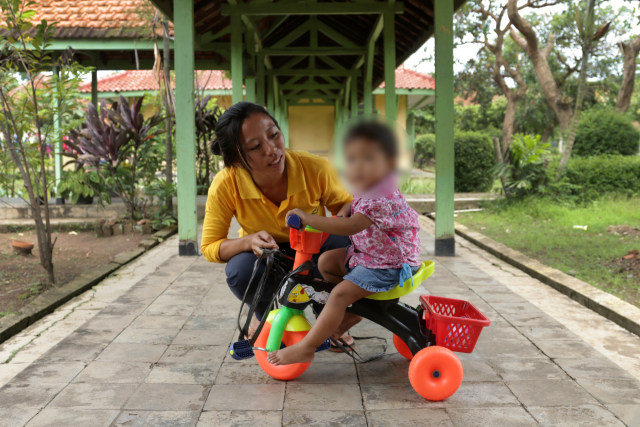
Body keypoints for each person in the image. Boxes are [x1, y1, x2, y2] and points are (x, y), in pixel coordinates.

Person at [268, 120, 421, 366]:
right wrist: (349, 204)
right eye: (352, 159)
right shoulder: (371, 186)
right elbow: (357, 205)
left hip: (389, 265)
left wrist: (309, 219)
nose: (358, 166)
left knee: (338, 294)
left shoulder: (380, 195)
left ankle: (308, 346)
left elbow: (350, 226)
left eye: (368, 158)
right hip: (372, 255)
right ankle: (351, 310)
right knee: (326, 262)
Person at [201, 102, 357, 342]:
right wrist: (247, 241)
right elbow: (211, 247)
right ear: (236, 160)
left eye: (274, 135)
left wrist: (350, 209)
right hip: (270, 256)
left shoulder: (314, 168)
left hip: (313, 249)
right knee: (241, 271)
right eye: (255, 147)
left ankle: (330, 317)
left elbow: (345, 210)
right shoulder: (226, 184)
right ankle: (266, 315)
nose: (272, 150)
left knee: (350, 248)